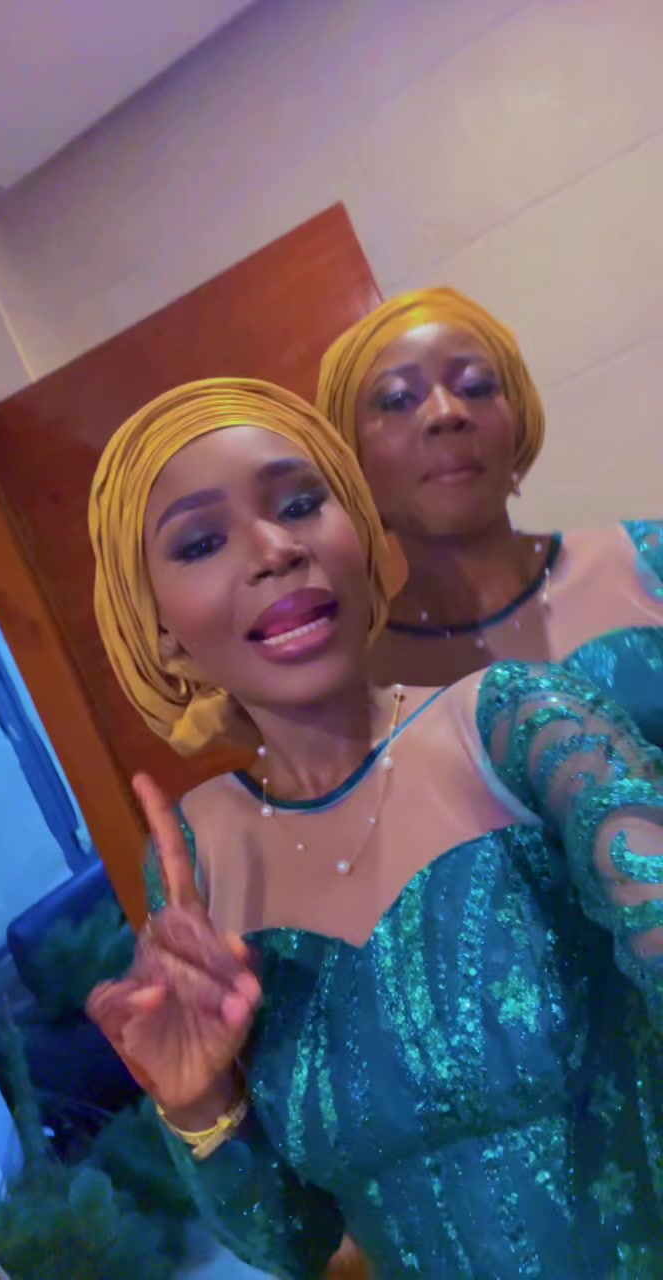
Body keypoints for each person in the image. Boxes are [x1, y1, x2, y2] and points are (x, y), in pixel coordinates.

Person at [86, 377, 663, 1280]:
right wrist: (199, 1108)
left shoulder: (523, 727)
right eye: (200, 542)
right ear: (159, 630)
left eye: (300, 505)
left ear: (360, 535)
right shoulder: (197, 862)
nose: (275, 549)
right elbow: (292, 1240)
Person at [316, 289, 663, 746]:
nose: (446, 413)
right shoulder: (353, 685)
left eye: (477, 386)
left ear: (518, 420)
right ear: (350, 456)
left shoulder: (649, 559)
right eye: (398, 399)